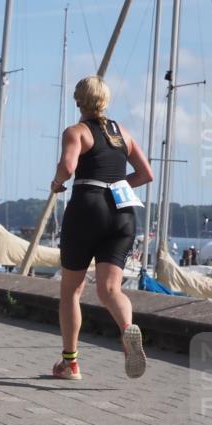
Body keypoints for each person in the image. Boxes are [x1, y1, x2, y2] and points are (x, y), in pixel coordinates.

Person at [51, 76, 153, 381]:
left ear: (78, 100)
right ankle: (126, 330)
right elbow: (146, 174)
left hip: (88, 207)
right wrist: (118, 184)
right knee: (110, 289)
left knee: (72, 290)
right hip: (123, 212)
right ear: (105, 101)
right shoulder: (124, 133)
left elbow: (68, 167)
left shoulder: (76, 132)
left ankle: (70, 363)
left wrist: (58, 183)